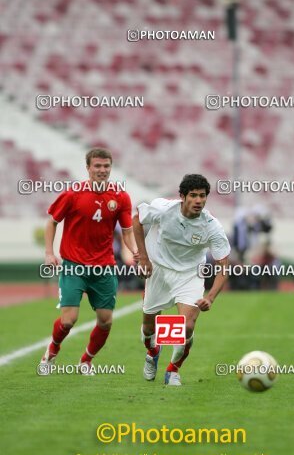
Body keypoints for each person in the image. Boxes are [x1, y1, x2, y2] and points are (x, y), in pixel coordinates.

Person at [40, 148, 138, 374]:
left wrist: (134, 250)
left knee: (105, 321)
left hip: (104, 267)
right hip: (74, 266)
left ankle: (85, 361)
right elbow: (52, 222)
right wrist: (48, 252)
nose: (102, 170)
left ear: (111, 167)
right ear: (88, 168)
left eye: (106, 166)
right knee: (68, 321)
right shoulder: (73, 194)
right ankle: (51, 352)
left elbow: (127, 231)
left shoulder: (120, 197)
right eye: (97, 166)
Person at [133, 174, 231, 386]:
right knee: (149, 330)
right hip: (158, 269)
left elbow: (224, 268)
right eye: (193, 196)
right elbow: (137, 220)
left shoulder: (212, 226)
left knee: (186, 325)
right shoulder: (163, 209)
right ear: (182, 197)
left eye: (202, 196)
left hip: (190, 274)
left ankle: (173, 370)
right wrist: (143, 257)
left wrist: (211, 298)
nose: (198, 200)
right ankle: (153, 352)